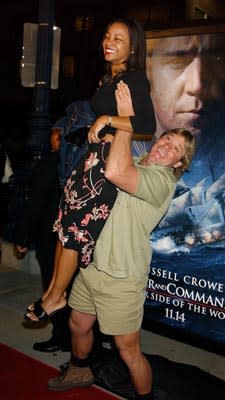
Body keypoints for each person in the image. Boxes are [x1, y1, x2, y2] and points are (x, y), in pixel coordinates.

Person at [47, 82, 196, 399]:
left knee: (128, 350)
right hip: (93, 264)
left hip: (121, 276)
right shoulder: (140, 163)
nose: (166, 147)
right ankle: (79, 370)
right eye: (166, 140)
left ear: (178, 164)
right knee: (78, 324)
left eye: (175, 150)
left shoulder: (160, 181)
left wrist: (123, 118)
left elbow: (116, 172)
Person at [25, 16, 156, 322]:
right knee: (63, 227)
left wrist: (106, 121)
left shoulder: (134, 78)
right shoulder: (109, 78)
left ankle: (57, 296)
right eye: (108, 36)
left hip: (107, 165)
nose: (108, 43)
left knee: (74, 232)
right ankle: (52, 293)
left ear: (133, 46)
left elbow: (147, 125)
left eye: (118, 39)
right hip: (90, 160)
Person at [16, 126, 71, 352]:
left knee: (53, 286)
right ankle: (78, 337)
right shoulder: (80, 163)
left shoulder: (50, 163)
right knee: (73, 289)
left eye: (54, 134)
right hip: (75, 238)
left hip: (51, 238)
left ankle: (61, 337)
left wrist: (22, 236)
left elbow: (35, 203)